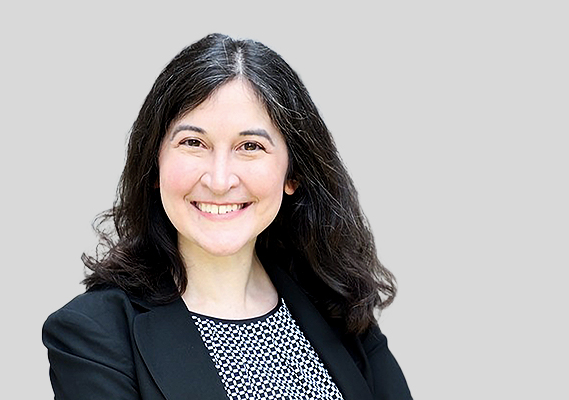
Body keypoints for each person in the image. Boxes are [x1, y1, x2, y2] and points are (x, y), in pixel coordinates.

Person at [42, 33, 412, 400]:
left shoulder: (337, 307)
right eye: (193, 143)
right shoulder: (92, 336)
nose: (219, 181)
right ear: (154, 165)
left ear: (293, 174)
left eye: (250, 146)